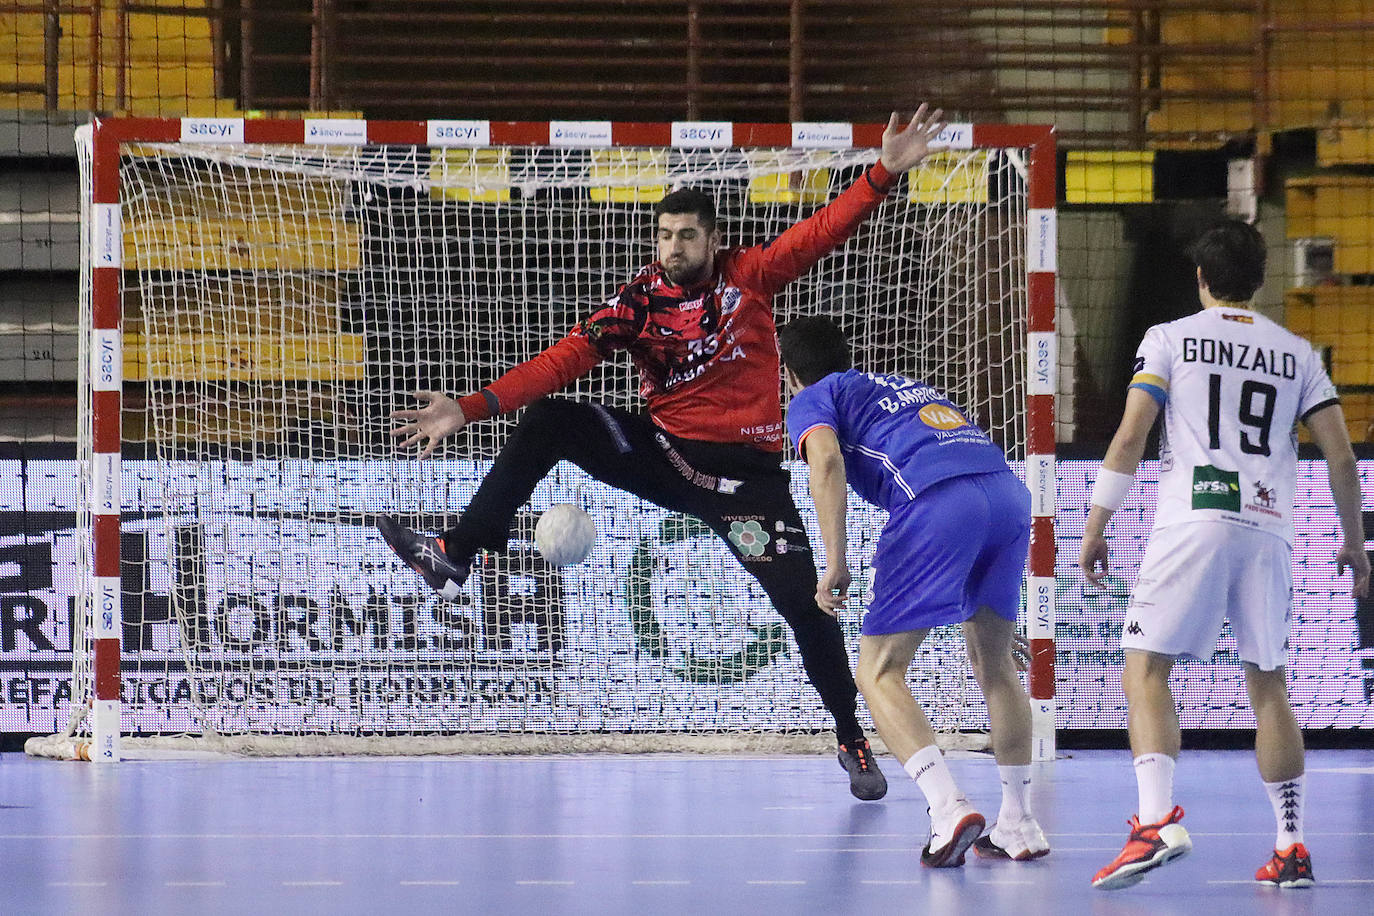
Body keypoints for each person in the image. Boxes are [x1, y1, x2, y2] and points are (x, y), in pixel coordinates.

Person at [378, 104, 950, 801]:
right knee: (554, 416)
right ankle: (458, 549)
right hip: (663, 458)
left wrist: (882, 172)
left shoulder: (752, 277)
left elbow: (820, 232)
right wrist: (469, 407)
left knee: (808, 609)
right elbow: (560, 361)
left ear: (714, 240)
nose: (672, 247)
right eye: (664, 236)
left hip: (745, 490)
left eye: (686, 235)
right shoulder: (637, 303)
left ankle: (850, 735)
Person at [1081, 219, 1370, 890]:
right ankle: (1291, 846)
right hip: (1270, 527)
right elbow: (1344, 459)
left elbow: (1130, 436)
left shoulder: (1169, 339)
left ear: (1201, 278)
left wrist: (1097, 522)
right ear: (1263, 282)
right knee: (1269, 685)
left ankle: (1154, 822)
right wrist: (1355, 543)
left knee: (1147, 668)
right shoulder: (1298, 352)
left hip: (1197, 516)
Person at [777, 315, 1049, 867]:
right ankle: (1019, 822)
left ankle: (948, 808)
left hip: (936, 503)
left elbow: (825, 460)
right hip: (1008, 498)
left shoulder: (813, 397)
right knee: (995, 664)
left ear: (788, 374)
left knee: (877, 671)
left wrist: (834, 561)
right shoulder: (903, 387)